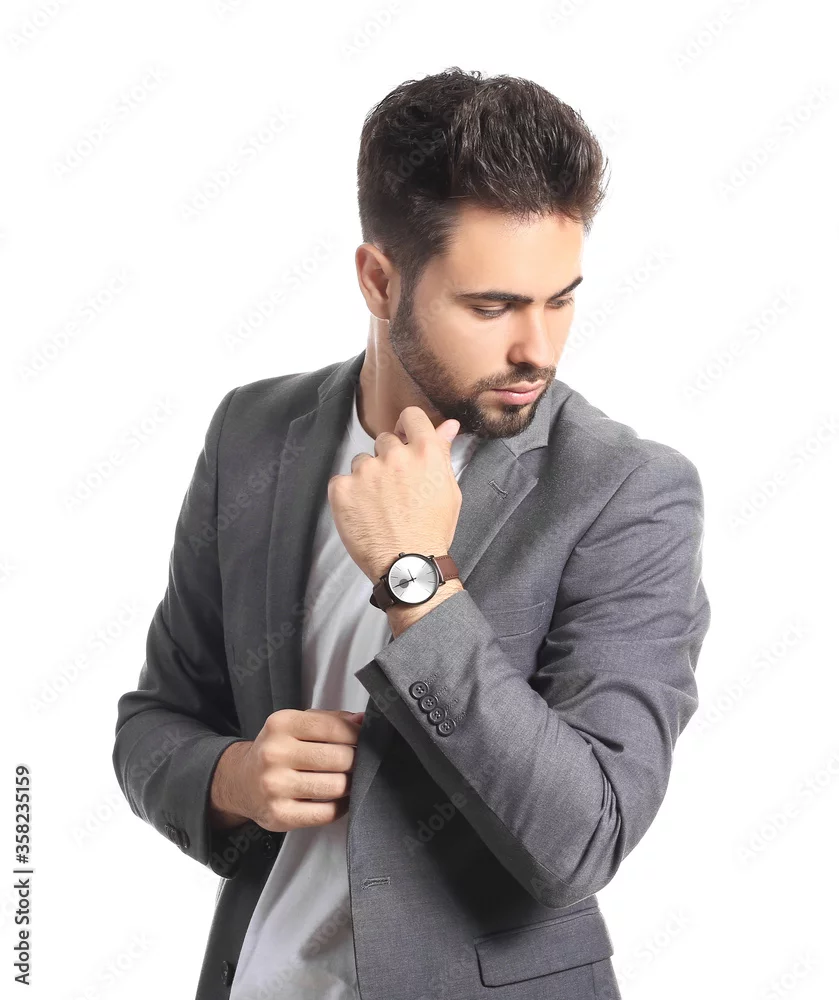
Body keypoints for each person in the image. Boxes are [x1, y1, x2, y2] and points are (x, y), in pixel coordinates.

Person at [112, 66, 711, 1000]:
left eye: (559, 298)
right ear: (379, 279)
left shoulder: (626, 491)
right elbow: (154, 722)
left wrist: (415, 579)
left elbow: (584, 836)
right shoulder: (252, 434)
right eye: (491, 307)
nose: (538, 348)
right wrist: (234, 777)